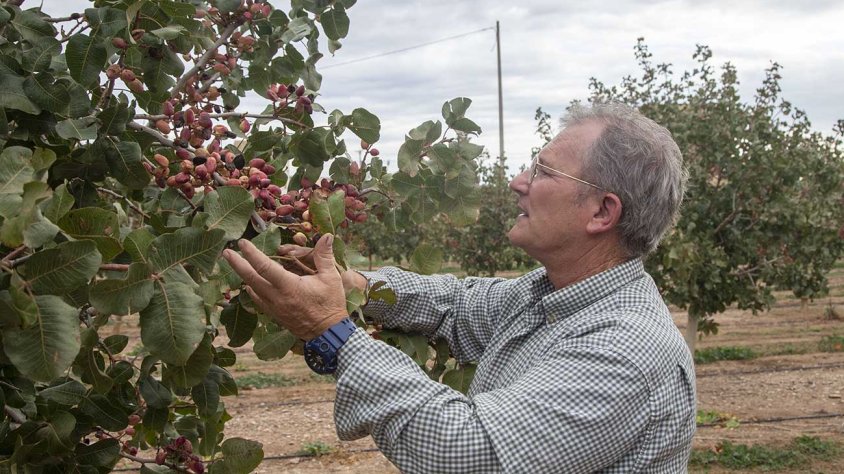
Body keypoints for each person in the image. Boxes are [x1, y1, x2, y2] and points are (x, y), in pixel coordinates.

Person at [223, 102, 696, 473]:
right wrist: (359, 285)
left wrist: (331, 331)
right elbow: (454, 303)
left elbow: (467, 454)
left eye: (544, 171)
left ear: (601, 213)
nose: (517, 182)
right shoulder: (547, 296)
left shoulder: (626, 349)